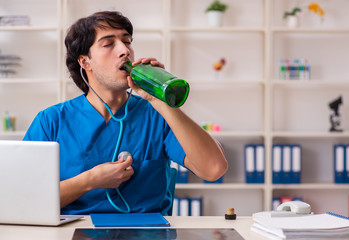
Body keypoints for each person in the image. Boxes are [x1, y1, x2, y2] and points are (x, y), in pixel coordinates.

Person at [23, 11, 228, 215]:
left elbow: (213, 169)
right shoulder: (51, 121)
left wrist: (162, 101)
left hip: (148, 234)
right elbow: (25, 198)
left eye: (127, 41)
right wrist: (89, 181)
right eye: (108, 44)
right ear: (85, 62)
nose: (124, 50)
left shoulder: (157, 114)